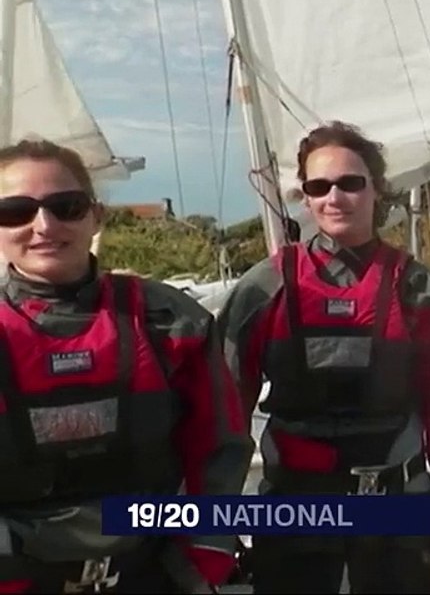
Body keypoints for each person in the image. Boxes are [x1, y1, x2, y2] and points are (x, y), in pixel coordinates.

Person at [217, 120, 430, 594]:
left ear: (376, 189)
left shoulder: (416, 288)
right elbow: (220, 415)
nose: (334, 197)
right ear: (305, 198)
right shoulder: (264, 287)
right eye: (319, 186)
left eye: (350, 183)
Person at [0, 139, 252, 593]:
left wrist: (204, 558)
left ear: (96, 215)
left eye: (66, 206)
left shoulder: (172, 321)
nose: (43, 225)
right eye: (16, 210)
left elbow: (220, 450)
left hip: (154, 574)